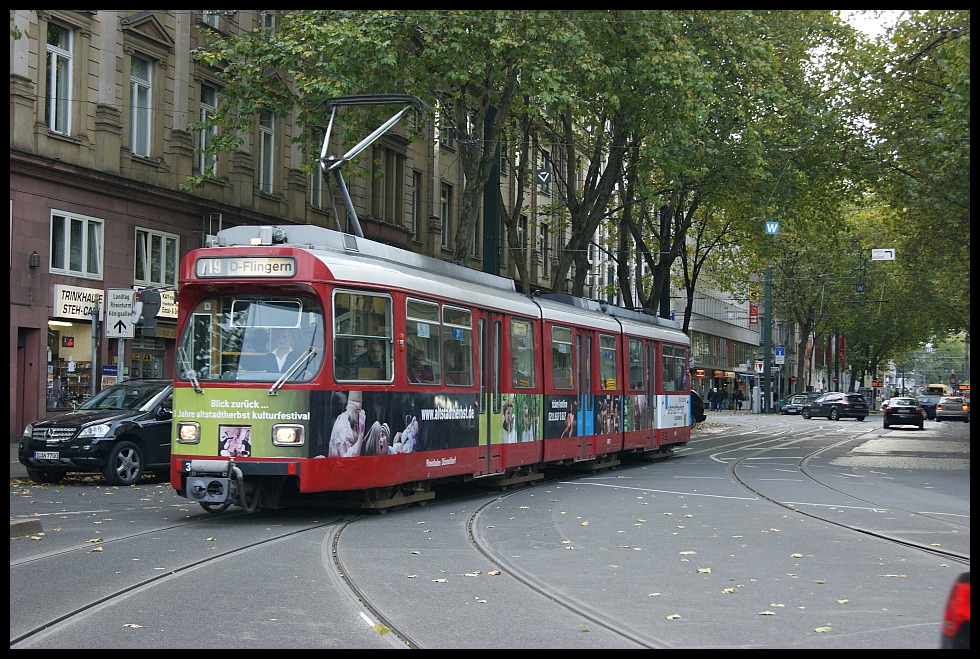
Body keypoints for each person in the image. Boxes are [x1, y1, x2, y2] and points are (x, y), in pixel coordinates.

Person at [328, 391, 365, 458]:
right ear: (349, 407)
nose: (358, 412)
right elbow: (348, 458)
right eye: (356, 409)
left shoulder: (354, 421)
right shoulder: (343, 424)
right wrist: (361, 434)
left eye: (359, 409)